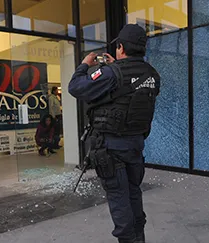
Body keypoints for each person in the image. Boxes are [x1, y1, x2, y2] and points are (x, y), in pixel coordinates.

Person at [68, 24, 160, 243]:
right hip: (136, 145)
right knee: (133, 194)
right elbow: (131, 88)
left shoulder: (110, 73)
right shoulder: (152, 74)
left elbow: (76, 87)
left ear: (120, 47)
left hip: (111, 149)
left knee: (119, 201)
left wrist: (84, 66)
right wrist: (115, 67)